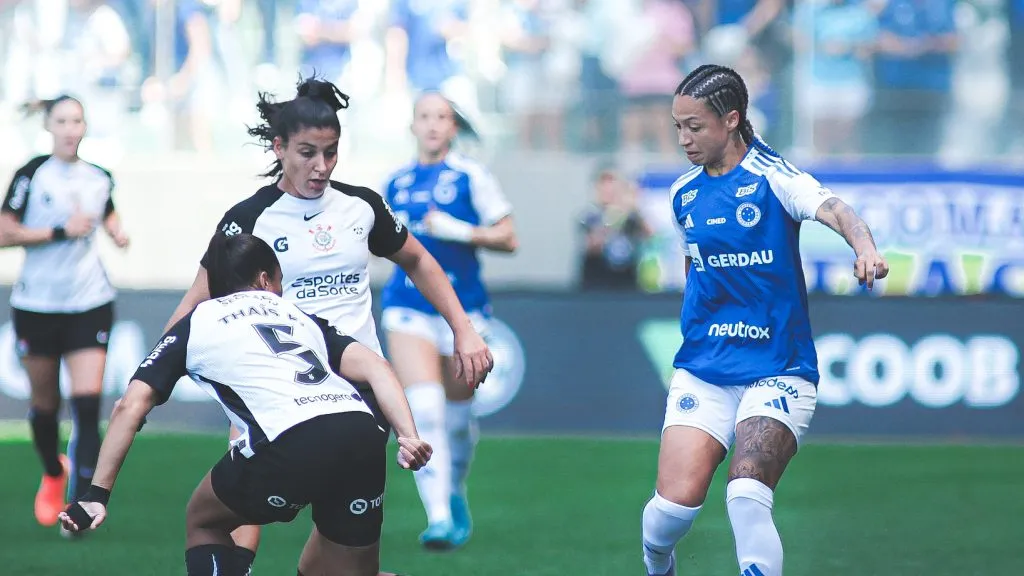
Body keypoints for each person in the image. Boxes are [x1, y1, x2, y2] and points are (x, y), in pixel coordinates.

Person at [162, 76, 492, 572]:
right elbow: (196, 300)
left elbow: (419, 261)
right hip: (270, 392)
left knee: (333, 566)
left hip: (357, 397)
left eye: (331, 152)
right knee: (233, 527)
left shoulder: (361, 206)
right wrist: (155, 373)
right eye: (307, 152)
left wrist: (463, 328)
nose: (321, 167)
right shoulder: (249, 219)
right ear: (279, 147)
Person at [58, 232, 432, 576]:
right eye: (281, 281)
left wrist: (96, 495)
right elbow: (378, 367)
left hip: (292, 437)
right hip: (360, 430)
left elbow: (130, 405)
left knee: (203, 520)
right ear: (265, 280)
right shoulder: (299, 317)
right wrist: (407, 436)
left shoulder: (196, 322)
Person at [640, 64, 888, 576]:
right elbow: (695, 264)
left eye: (695, 126)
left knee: (747, 493)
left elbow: (837, 209)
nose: (684, 139)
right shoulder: (683, 193)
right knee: (670, 514)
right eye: (678, 127)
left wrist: (864, 248)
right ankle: (657, 560)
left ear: (731, 120)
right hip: (705, 367)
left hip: (778, 367)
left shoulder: (773, 176)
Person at [380, 91, 517, 550]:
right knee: (427, 411)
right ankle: (437, 517)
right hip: (407, 307)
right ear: (413, 125)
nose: (434, 125)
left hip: (465, 312)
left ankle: (453, 492)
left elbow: (509, 237)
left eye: (442, 117)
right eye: (425, 116)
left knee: (458, 419)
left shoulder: (471, 176)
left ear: (454, 127)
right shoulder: (394, 183)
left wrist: (460, 231)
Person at [0, 94, 130, 534]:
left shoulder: (99, 177)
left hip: (89, 302)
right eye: (62, 121)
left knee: (87, 405)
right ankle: (53, 473)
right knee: (44, 405)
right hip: (37, 305)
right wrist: (59, 230)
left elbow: (107, 210)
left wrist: (116, 231)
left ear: (85, 126)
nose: (71, 128)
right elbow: (4, 231)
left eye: (77, 120)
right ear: (49, 126)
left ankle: (78, 507)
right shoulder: (31, 174)